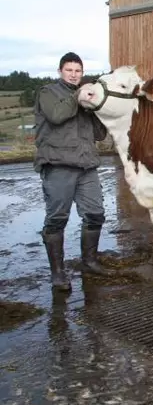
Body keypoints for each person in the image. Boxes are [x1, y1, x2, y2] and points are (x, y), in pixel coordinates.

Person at [34, 52, 115, 292]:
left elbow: (100, 135)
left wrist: (95, 108)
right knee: (57, 219)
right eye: (69, 70)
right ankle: (58, 273)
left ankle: (89, 262)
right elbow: (57, 116)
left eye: (78, 71)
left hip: (87, 166)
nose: (74, 74)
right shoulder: (47, 93)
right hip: (58, 165)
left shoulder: (84, 99)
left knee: (95, 214)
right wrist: (78, 97)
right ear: (60, 71)